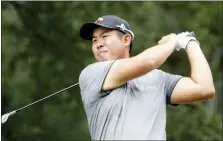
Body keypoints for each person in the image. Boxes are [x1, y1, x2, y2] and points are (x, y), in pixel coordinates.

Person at [78, 15, 215, 140]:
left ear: (126, 40)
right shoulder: (91, 73)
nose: (98, 43)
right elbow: (147, 62)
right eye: (94, 40)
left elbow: (204, 88)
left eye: (104, 36)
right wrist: (173, 42)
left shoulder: (158, 78)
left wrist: (189, 42)